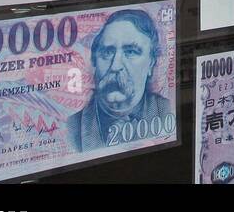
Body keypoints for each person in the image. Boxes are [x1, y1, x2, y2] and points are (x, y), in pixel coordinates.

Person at [68, 8, 173, 152]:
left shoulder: (168, 111)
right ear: (94, 62)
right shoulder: (72, 127)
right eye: (107, 52)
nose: (115, 66)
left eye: (130, 52)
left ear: (151, 64)